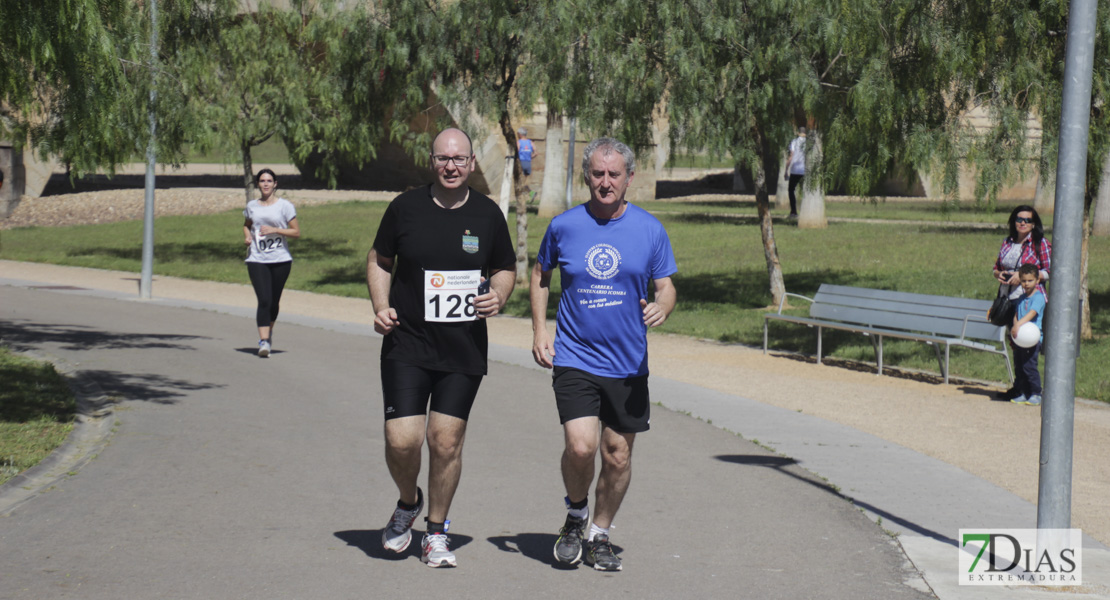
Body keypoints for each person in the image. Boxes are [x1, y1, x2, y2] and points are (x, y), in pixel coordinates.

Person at [367, 127, 516, 568]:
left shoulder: (488, 215)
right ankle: (408, 501)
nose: (451, 166)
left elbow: (505, 267)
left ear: (471, 163)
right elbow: (379, 259)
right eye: (443, 159)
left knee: (445, 442)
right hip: (407, 343)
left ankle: (436, 532)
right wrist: (380, 304)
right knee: (402, 440)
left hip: (462, 350)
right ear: (431, 161)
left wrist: (500, 294)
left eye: (459, 159)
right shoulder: (404, 208)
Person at [530, 137, 677, 572]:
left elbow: (666, 286)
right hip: (575, 356)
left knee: (617, 455)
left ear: (629, 178)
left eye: (614, 174)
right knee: (581, 446)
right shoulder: (564, 225)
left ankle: (599, 533)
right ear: (587, 176)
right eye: (597, 173)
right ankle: (576, 516)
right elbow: (541, 273)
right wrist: (540, 329)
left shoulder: (650, 230)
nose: (605, 182)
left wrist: (661, 306)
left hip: (628, 363)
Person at [991, 204, 1051, 400]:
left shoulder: (1040, 243)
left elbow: (1048, 271)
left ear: (1034, 224)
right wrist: (999, 274)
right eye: (1019, 219)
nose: (1023, 223)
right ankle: (1019, 388)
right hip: (1008, 299)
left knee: (1027, 347)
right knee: (1015, 344)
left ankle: (1032, 390)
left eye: (1027, 220)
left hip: (1028, 299)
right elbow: (996, 267)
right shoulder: (1008, 242)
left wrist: (1023, 276)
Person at [242, 168, 299, 357]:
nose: (265, 184)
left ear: (275, 184)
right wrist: (247, 237)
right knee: (264, 299)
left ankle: (268, 331)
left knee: (274, 302)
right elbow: (247, 225)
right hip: (257, 259)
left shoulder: (285, 206)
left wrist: (275, 230)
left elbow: (296, 232)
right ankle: (264, 341)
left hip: (281, 259)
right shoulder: (252, 206)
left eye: (269, 181)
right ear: (258, 184)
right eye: (262, 181)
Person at [1010, 263, 1045, 406]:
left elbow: (1032, 313)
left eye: (1030, 280)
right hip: (1020, 339)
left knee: (1029, 366)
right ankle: (1024, 392)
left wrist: (1019, 324)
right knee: (1020, 365)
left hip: (1032, 339)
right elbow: (1017, 314)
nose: (1026, 283)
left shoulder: (1039, 297)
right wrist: (1015, 324)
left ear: (1037, 280)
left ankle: (1036, 393)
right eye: (1023, 280)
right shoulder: (1021, 298)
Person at [784, 127, 806, 219]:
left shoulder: (794, 142)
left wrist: (786, 169)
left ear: (798, 133)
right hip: (805, 170)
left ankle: (793, 212)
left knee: (791, 190)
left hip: (795, 169)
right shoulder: (809, 143)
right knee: (806, 190)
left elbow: (791, 155)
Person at [517, 128, 536, 199]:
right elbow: (536, 153)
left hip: (521, 162)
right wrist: (530, 157)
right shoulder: (530, 142)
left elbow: (517, 152)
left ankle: (530, 193)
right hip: (528, 163)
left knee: (521, 182)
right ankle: (530, 193)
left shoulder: (519, 142)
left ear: (520, 134)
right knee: (525, 181)